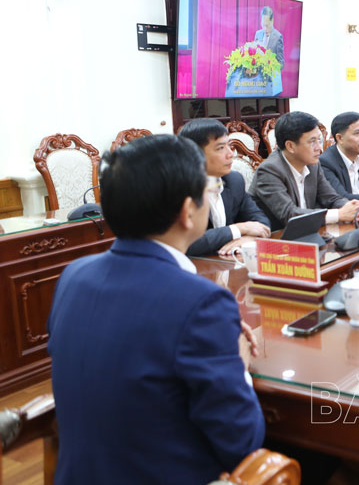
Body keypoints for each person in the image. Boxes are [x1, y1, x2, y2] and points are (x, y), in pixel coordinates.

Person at [47, 135, 266, 483]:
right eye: (209, 190)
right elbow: (241, 442)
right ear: (187, 211)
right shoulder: (201, 301)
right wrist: (237, 363)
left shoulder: (74, 275)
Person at [250, 111, 359, 230]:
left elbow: (331, 198)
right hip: (276, 237)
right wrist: (339, 214)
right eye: (312, 142)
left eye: (319, 140)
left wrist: (352, 207)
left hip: (309, 232)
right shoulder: (269, 171)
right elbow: (289, 214)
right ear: (290, 146)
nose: (319, 148)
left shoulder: (312, 164)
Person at [179, 118, 271, 257]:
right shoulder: (178, 188)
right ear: (194, 154)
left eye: (229, 145)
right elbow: (185, 242)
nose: (231, 154)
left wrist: (249, 238)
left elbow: (261, 222)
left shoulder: (234, 180)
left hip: (226, 261)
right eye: (220, 148)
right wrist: (238, 229)